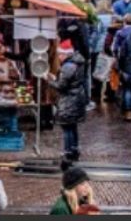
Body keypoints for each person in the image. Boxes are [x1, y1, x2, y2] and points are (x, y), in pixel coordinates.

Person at [49, 39, 88, 167]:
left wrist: (48, 80)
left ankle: (68, 153)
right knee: (73, 126)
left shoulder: (68, 66)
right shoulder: (77, 63)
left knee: (67, 127)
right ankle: (74, 150)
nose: (59, 57)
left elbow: (61, 86)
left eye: (60, 54)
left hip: (69, 100)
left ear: (65, 54)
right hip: (77, 97)